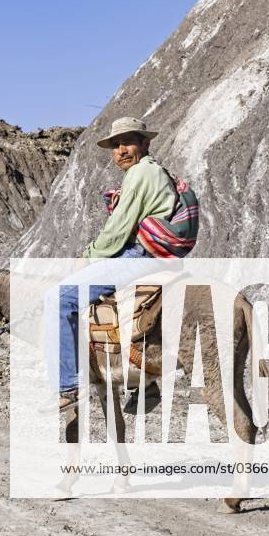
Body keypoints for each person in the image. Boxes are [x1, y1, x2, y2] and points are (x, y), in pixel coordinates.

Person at [50, 116, 186, 412]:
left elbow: (118, 230)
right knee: (109, 308)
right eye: (115, 145)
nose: (121, 150)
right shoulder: (153, 173)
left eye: (128, 142)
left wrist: (87, 258)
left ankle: (68, 387)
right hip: (155, 256)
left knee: (59, 300)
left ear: (145, 143)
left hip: (140, 256)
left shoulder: (140, 174)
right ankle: (144, 384)